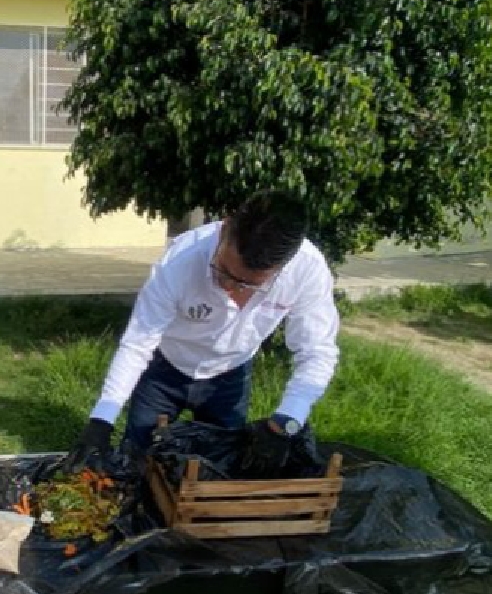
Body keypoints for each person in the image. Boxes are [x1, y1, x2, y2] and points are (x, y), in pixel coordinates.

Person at [66, 190, 339, 474]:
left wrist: (288, 419)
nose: (231, 289)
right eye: (224, 272)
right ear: (224, 230)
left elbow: (316, 351)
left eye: (250, 285)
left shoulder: (308, 270)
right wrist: (102, 419)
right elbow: (138, 343)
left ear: (284, 266)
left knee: (219, 469)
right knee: (139, 460)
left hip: (230, 374)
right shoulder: (179, 261)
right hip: (164, 371)